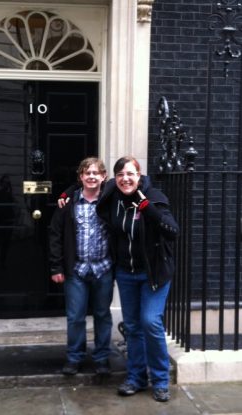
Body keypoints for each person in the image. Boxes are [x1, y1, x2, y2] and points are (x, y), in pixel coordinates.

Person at [59, 156, 179, 402]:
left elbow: (172, 231)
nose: (126, 179)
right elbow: (88, 183)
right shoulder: (113, 193)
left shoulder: (154, 197)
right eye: (121, 174)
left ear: (139, 175)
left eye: (131, 174)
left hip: (153, 273)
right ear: (115, 178)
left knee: (150, 322)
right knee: (133, 326)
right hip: (126, 273)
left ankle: (160, 380)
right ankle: (135, 378)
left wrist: (147, 208)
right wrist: (67, 192)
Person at [49, 157, 114, 376]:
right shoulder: (69, 203)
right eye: (87, 173)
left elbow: (138, 181)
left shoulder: (110, 200)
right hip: (75, 270)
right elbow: (55, 235)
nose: (92, 176)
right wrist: (56, 267)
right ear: (81, 177)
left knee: (102, 315)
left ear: (104, 176)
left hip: (103, 268)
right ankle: (74, 358)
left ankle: (102, 359)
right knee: (75, 316)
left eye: (96, 173)